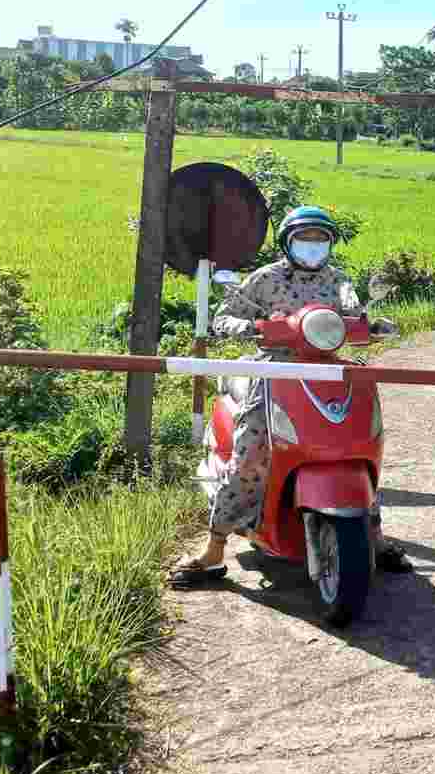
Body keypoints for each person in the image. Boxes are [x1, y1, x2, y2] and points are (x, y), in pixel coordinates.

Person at [171, 205, 406, 586]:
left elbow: (353, 311)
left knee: (358, 445)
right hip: (275, 371)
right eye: (304, 239)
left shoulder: (338, 280)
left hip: (328, 370)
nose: (312, 246)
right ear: (287, 242)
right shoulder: (265, 278)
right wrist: (252, 327)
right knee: (251, 455)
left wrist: (371, 325)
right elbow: (223, 317)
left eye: (320, 239)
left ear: (330, 244)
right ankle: (214, 547)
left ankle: (373, 537)